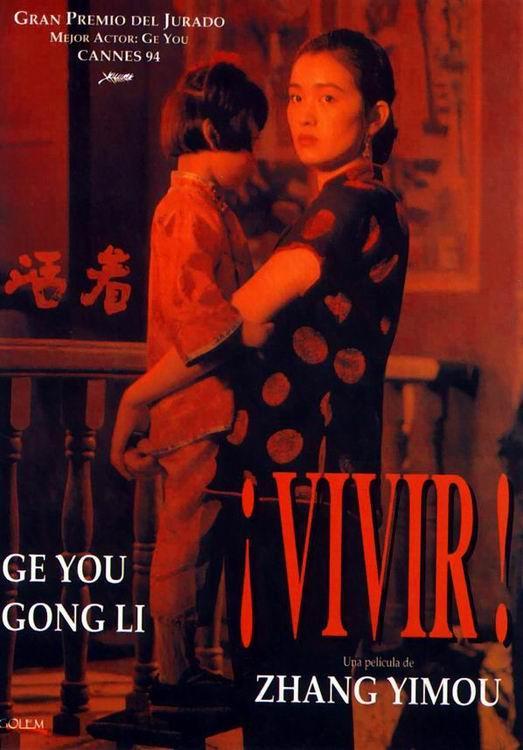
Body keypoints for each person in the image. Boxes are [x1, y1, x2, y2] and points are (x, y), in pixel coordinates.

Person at [112, 28, 408, 748]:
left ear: (374, 116)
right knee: (289, 699)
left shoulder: (348, 209)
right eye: (297, 97)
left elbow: (225, 326)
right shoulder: (345, 205)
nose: (304, 115)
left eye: (328, 98)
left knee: (290, 703)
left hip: (305, 491)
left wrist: (136, 398)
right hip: (297, 485)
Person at [111, 59, 270, 703]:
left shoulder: (208, 208)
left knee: (204, 541)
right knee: (184, 543)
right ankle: (174, 674)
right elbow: (201, 323)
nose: (254, 159)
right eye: (249, 142)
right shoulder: (186, 211)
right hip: (193, 406)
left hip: (215, 408)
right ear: (210, 133)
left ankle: (186, 669)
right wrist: (252, 330)